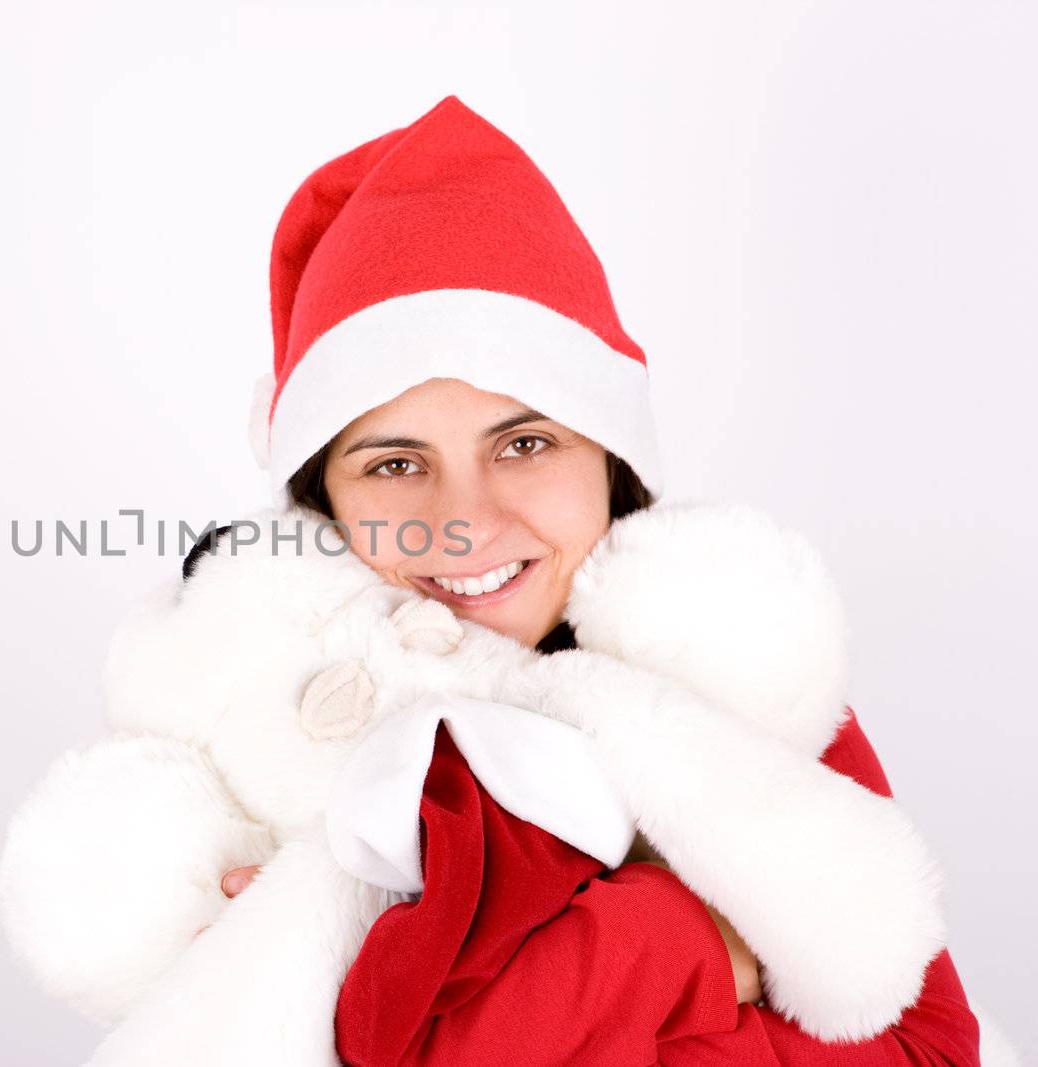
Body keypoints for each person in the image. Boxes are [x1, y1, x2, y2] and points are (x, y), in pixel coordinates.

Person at [224, 95, 985, 1064]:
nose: (467, 519)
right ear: (324, 502)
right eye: (392, 462)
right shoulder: (264, 718)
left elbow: (927, 1051)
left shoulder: (730, 659)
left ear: (613, 462)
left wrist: (545, 988)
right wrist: (692, 942)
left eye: (526, 442)